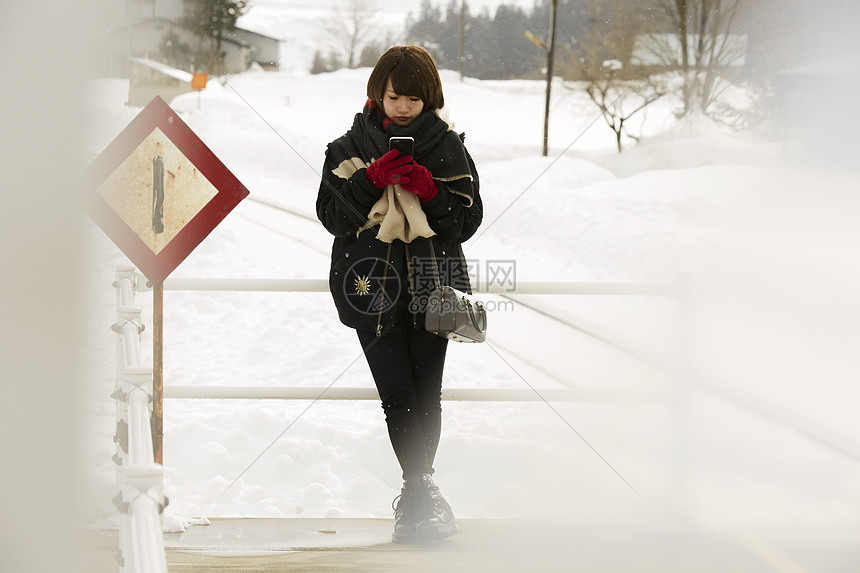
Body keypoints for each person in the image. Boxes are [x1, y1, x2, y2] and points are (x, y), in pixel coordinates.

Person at [316, 45, 482, 543]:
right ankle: (420, 493)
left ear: (428, 97)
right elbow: (333, 217)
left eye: (414, 97)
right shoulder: (345, 149)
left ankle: (418, 495)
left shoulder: (450, 147)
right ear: (377, 94)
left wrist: (429, 189)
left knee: (425, 390)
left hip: (434, 285)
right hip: (369, 285)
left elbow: (465, 222)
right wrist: (371, 181)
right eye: (395, 96)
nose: (404, 106)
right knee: (397, 393)